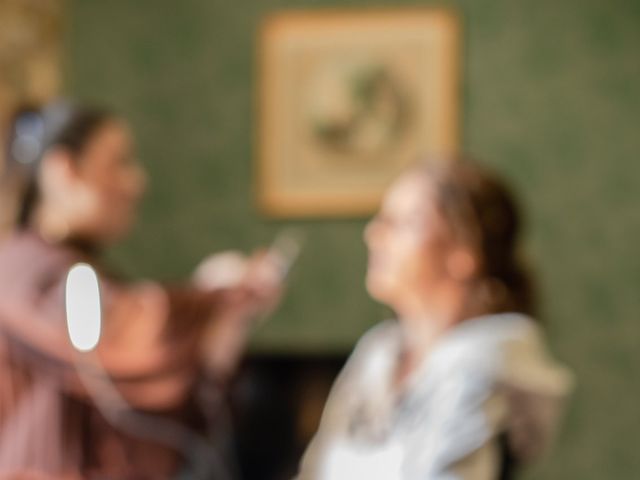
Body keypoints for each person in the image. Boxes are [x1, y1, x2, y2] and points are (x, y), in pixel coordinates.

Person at [0, 101, 282, 479]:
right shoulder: (21, 267)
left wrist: (221, 335)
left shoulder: (84, 272)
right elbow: (123, 338)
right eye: (119, 163)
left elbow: (152, 405)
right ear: (63, 171)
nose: (137, 183)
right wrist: (212, 298)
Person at [296, 158, 573, 480]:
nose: (374, 234)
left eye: (404, 222)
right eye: (381, 219)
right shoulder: (377, 351)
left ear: (465, 251)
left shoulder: (489, 358)